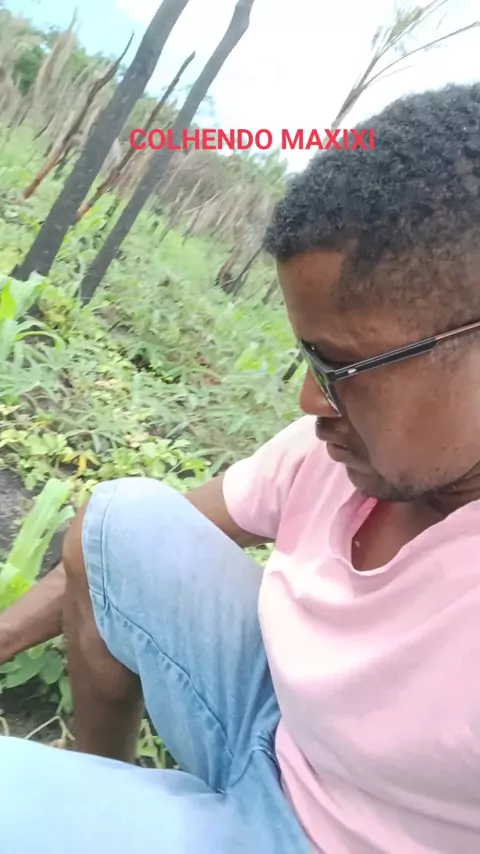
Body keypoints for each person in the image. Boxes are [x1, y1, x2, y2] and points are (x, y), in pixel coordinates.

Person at [1, 81, 480, 854]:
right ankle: (105, 782)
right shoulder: (340, 454)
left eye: (342, 365)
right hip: (280, 734)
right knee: (121, 519)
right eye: (307, 358)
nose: (308, 400)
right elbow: (122, 554)